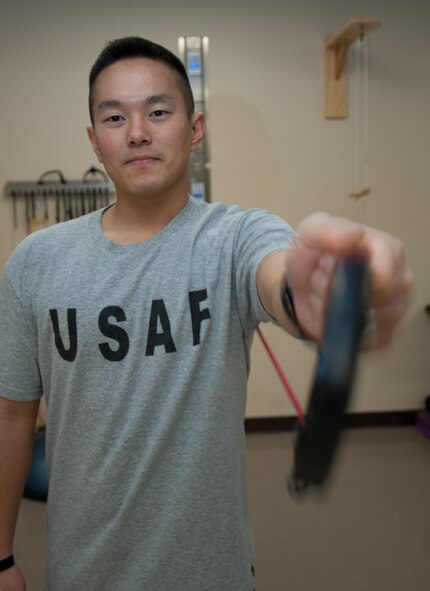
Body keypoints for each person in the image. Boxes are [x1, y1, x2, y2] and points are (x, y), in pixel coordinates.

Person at [0, 36, 413, 591]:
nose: (138, 132)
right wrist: (2, 556)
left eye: (159, 111)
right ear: (95, 140)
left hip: (211, 572)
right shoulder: (35, 262)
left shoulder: (236, 236)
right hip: (81, 572)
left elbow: (279, 276)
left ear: (195, 129)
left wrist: (324, 296)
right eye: (115, 117)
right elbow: (11, 416)